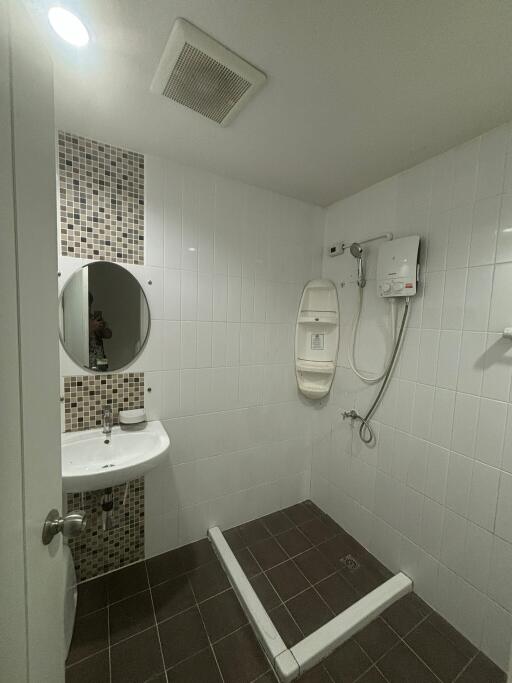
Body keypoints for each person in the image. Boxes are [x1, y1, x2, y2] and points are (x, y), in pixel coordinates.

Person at [88, 292, 112, 369]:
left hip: (101, 358)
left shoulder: (94, 318)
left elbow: (109, 335)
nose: (88, 306)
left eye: (89, 304)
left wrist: (103, 327)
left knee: (103, 376)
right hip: (88, 361)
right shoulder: (78, 320)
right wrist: (91, 328)